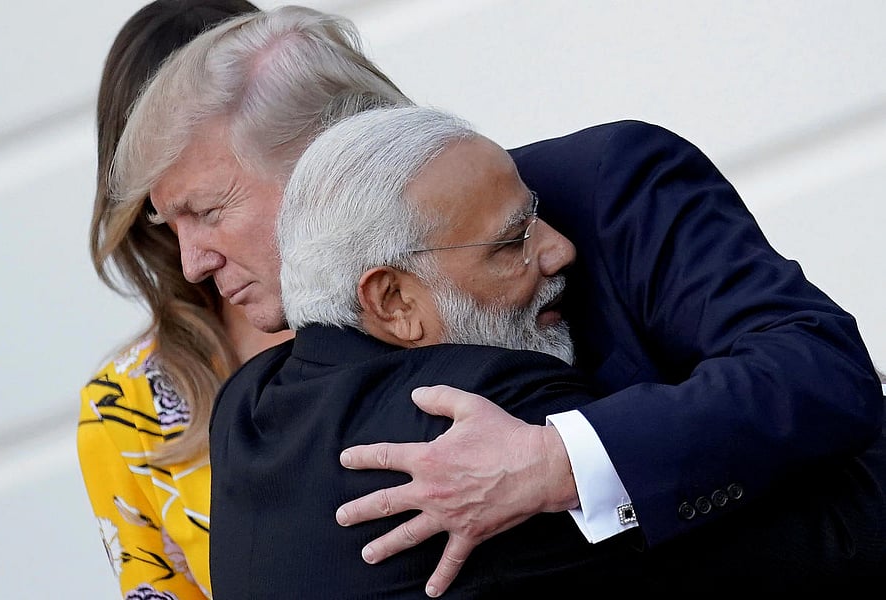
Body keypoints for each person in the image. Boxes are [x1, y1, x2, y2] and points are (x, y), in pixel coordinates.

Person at [109, 5, 884, 597]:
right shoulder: (264, 409)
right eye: (169, 224)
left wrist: (560, 462)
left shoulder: (608, 188)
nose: (191, 261)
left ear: (330, 156)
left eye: (207, 210)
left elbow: (818, 367)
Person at [75, 2, 295, 598]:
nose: (194, 251)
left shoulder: (432, 286)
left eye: (208, 201)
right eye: (167, 208)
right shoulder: (126, 404)